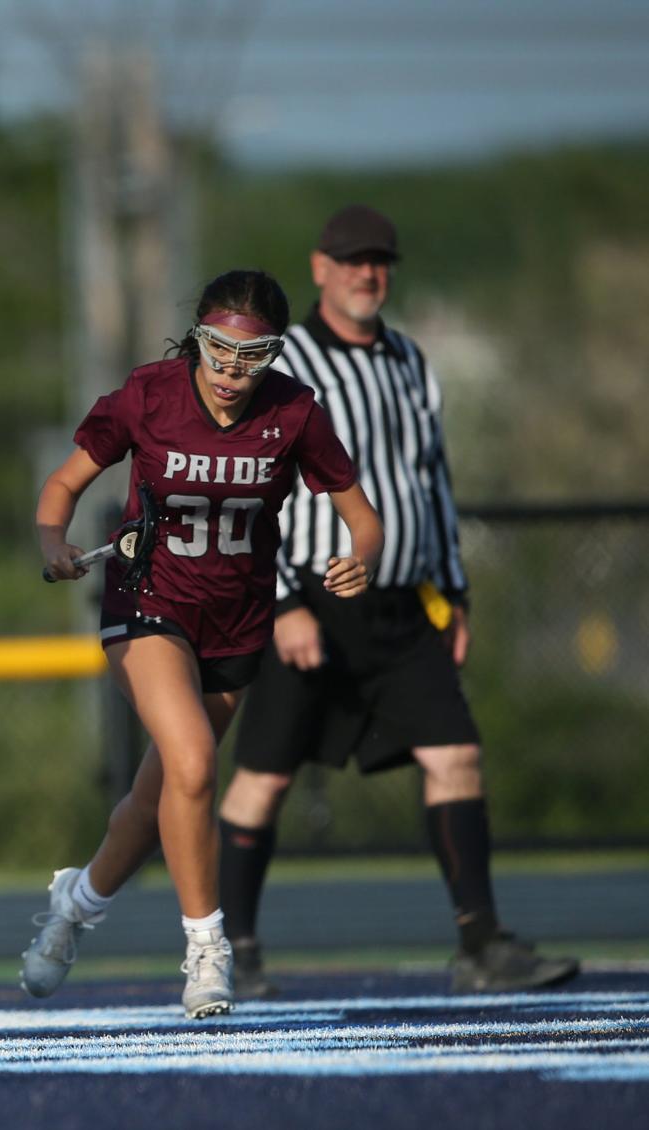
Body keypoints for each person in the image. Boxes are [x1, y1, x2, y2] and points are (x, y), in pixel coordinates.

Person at [215, 205, 580, 997]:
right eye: (350, 260)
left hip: (404, 605)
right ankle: (230, 947)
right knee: (265, 777)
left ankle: (480, 944)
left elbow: (431, 480)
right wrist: (281, 603)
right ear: (320, 268)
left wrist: (454, 591)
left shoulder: (410, 359)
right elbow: (248, 488)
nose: (366, 273)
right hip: (311, 593)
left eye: (378, 260)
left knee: (456, 756)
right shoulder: (287, 365)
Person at [23, 268, 384, 1017]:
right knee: (192, 763)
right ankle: (206, 949)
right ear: (197, 338)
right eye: (219, 351)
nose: (232, 372)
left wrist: (363, 557)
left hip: (237, 618)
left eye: (252, 357)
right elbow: (62, 486)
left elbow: (364, 515)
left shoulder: (295, 413)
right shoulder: (149, 395)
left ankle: (75, 904)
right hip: (147, 601)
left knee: (160, 796)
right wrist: (54, 542)